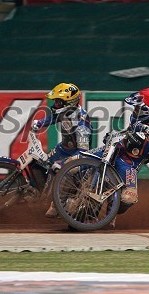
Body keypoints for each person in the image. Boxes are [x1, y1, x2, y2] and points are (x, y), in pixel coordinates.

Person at [65, 88, 149, 228]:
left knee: (129, 198)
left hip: (129, 164)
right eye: (136, 108)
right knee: (71, 163)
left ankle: (110, 213)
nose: (135, 111)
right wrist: (115, 134)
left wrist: (148, 131)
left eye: (139, 109)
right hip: (114, 149)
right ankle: (58, 203)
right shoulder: (136, 119)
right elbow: (127, 133)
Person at [30, 83, 93, 218]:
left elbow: (83, 152)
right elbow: (53, 117)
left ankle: (58, 205)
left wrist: (63, 163)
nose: (55, 104)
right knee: (37, 162)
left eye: (59, 101)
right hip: (62, 148)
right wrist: (40, 122)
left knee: (58, 171)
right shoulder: (65, 111)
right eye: (56, 101)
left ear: (69, 102)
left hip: (77, 155)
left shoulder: (81, 122)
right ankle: (39, 194)